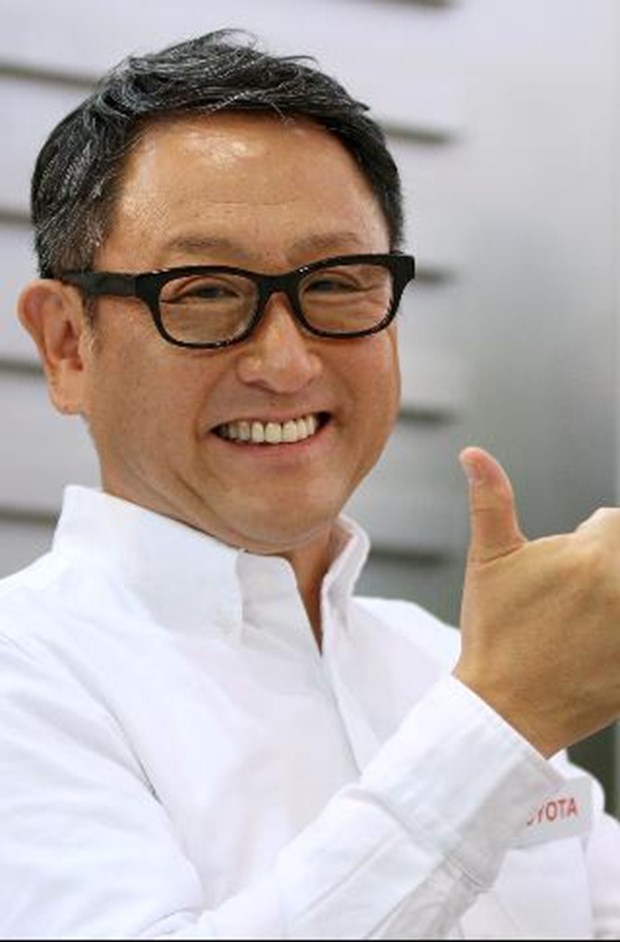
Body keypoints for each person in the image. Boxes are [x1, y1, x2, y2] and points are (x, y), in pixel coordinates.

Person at [1, 28, 618, 940]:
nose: (286, 363)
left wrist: (499, 708)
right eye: (204, 290)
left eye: (337, 282)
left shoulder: (447, 661)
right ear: (66, 346)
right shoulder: (26, 673)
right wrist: (500, 724)